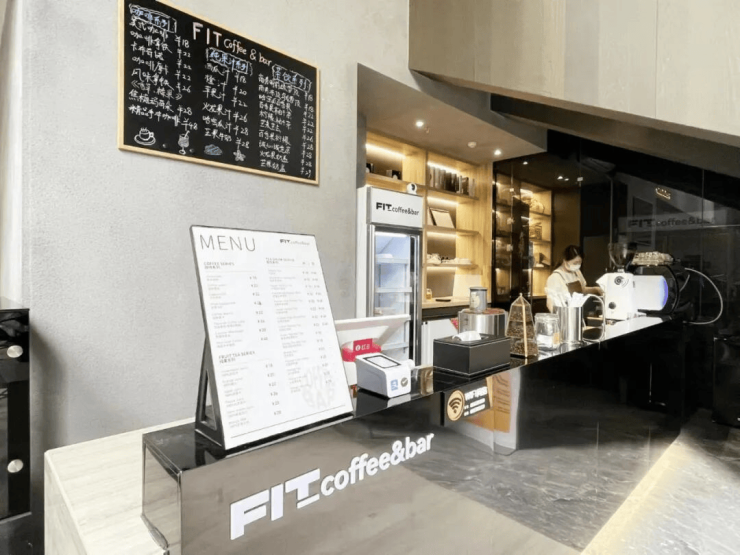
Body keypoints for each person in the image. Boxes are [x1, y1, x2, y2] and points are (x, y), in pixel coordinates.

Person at [546, 245, 603, 312]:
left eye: (580, 262)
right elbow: (550, 303)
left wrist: (596, 289)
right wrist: (562, 315)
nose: (577, 265)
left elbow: (582, 289)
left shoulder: (577, 272)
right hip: (566, 313)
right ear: (565, 261)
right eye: (575, 263)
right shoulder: (555, 277)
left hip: (579, 311)